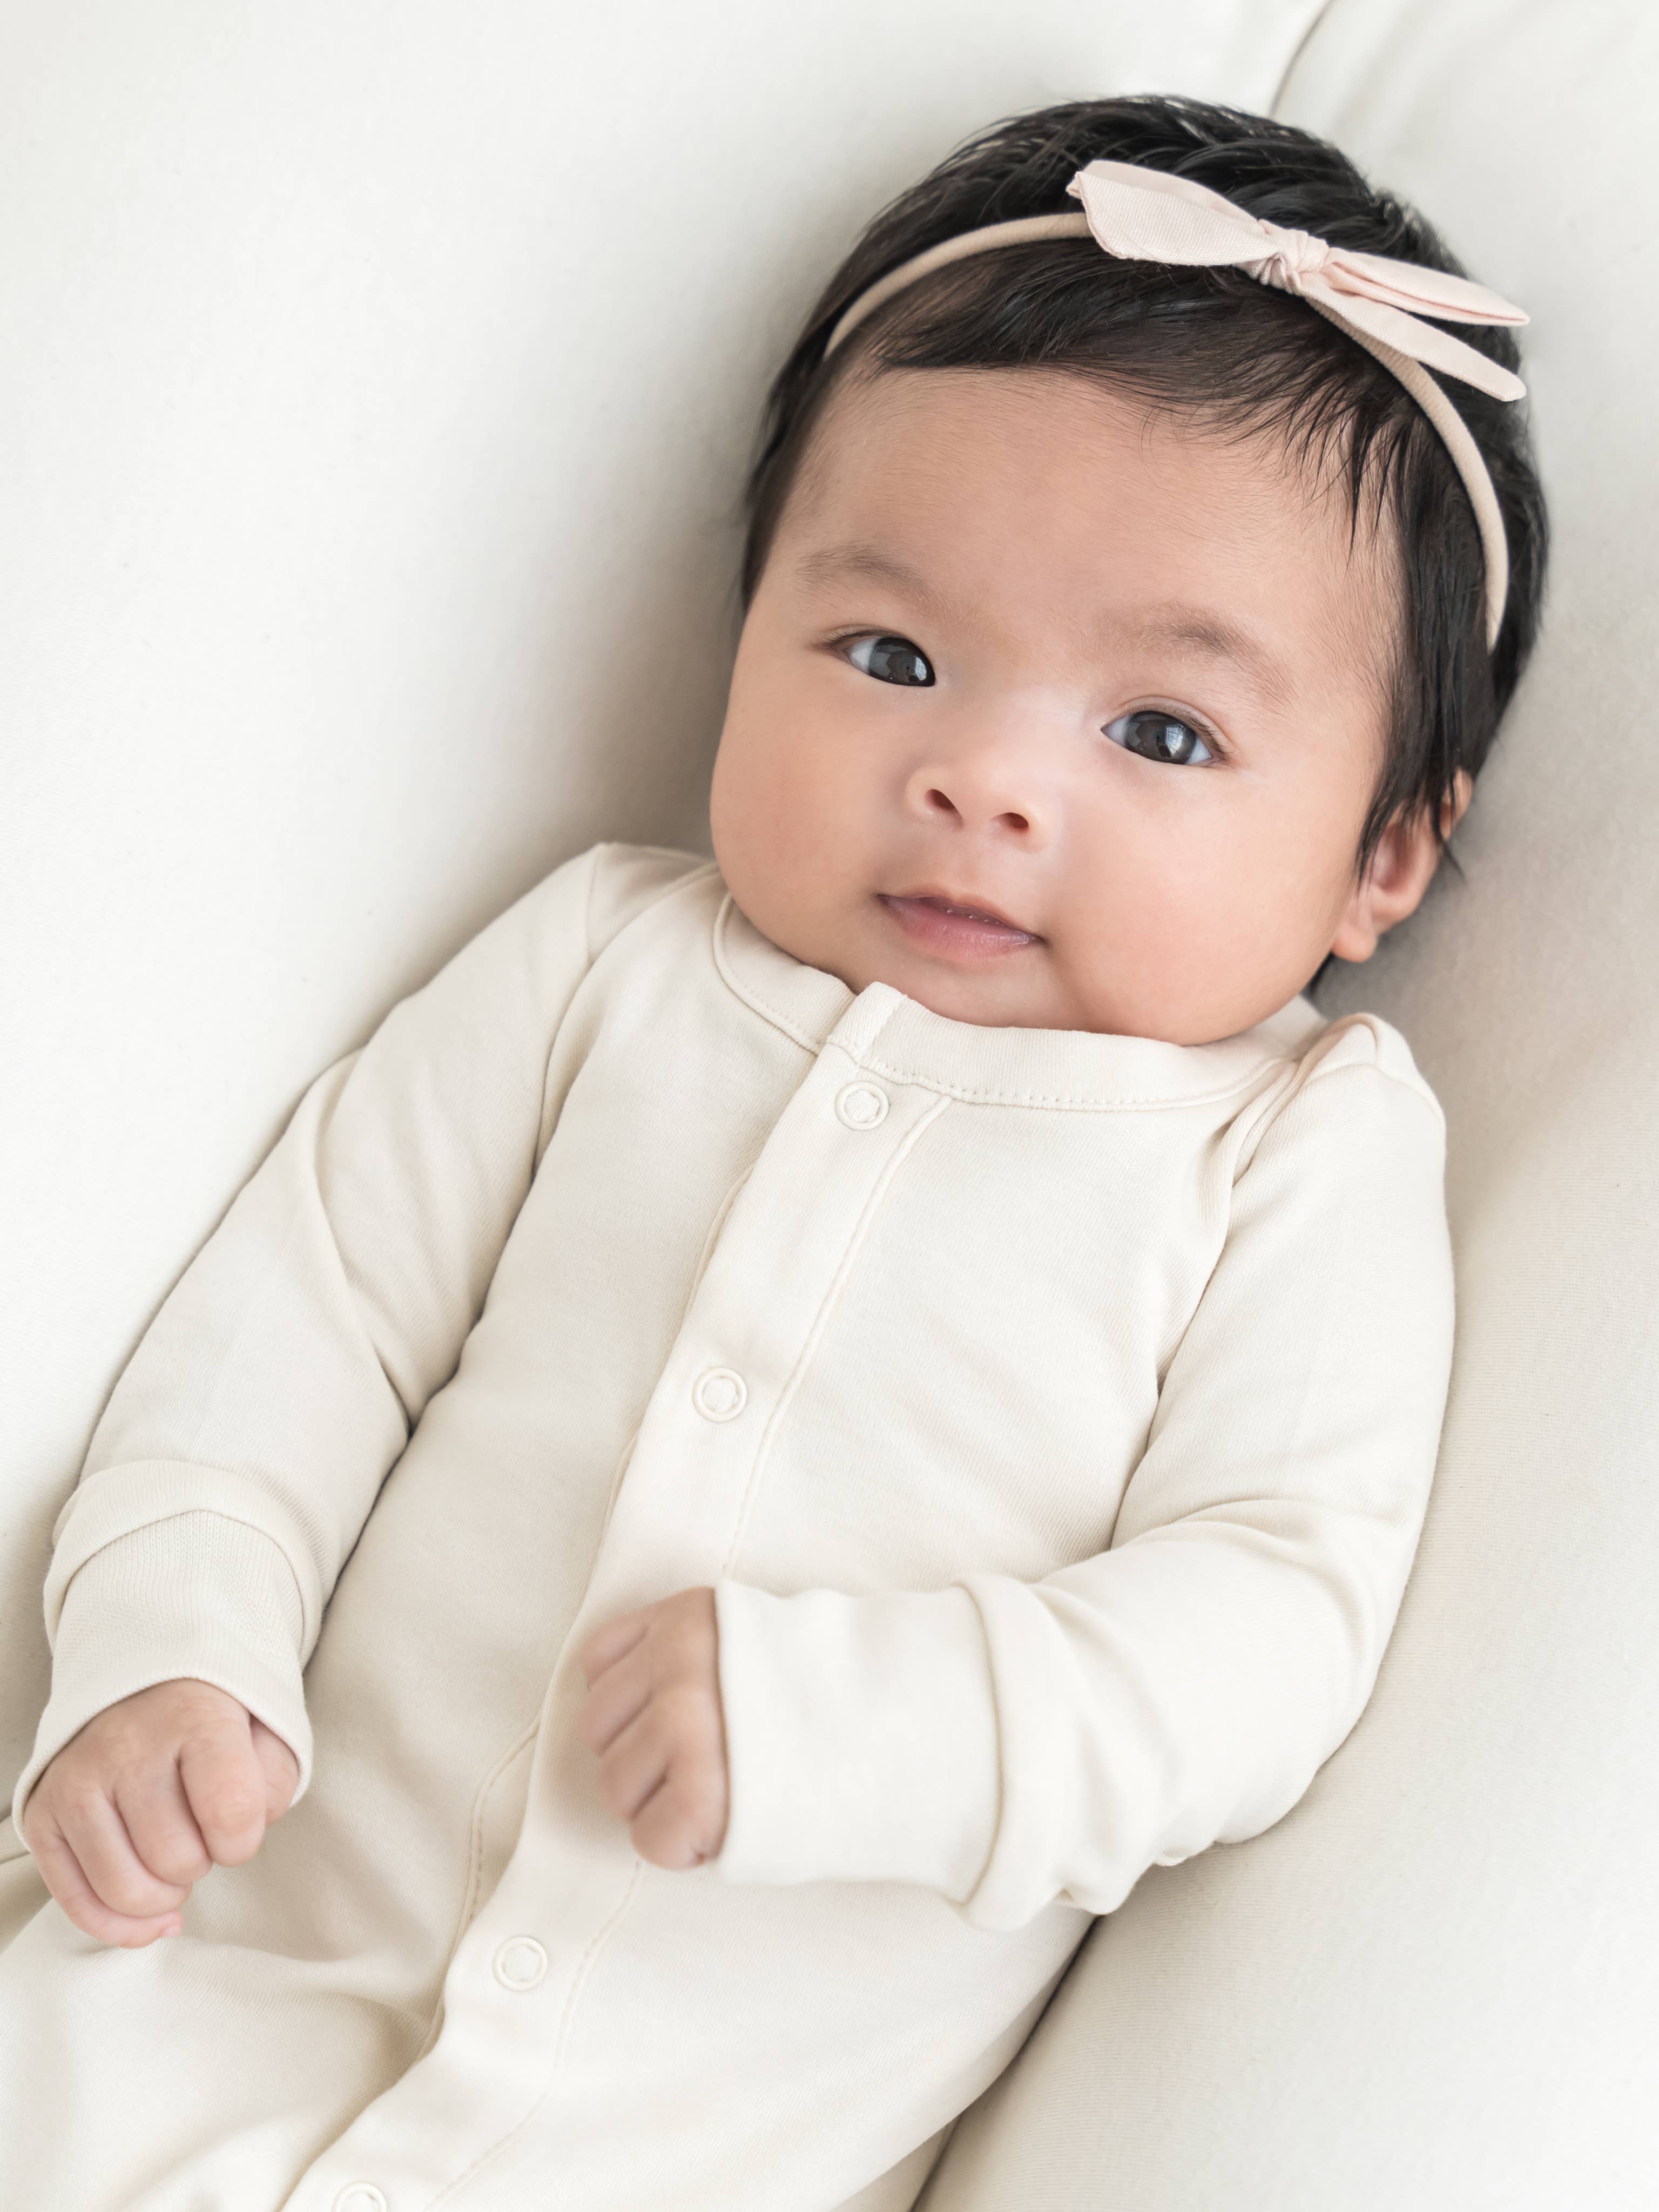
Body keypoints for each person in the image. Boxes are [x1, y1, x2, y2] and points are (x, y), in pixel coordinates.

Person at [0, 91, 1548, 2212]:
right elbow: (298, 1323)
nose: (984, 778)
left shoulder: (1288, 1155)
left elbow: (1270, 1626)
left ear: (1385, 854)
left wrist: (867, 1721)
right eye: (892, 655)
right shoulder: (603, 965)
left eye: (1162, 732)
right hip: (173, 2012)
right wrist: (174, 1640)